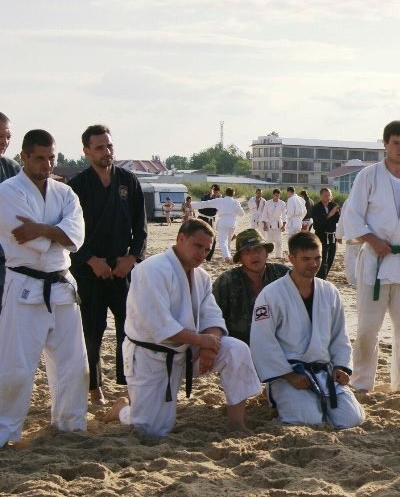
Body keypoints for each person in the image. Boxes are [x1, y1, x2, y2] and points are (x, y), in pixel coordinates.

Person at [101, 219, 261, 436]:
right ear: (181, 239)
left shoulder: (201, 277)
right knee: (151, 429)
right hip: (151, 356)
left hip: (188, 352)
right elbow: (159, 326)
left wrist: (209, 345)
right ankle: (122, 410)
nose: (202, 254)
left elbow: (211, 315)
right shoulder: (152, 270)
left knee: (236, 350)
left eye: (207, 249)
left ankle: (237, 424)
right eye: (198, 246)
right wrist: (201, 340)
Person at [0, 129, 88, 446]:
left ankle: (70, 424)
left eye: (51, 157)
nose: (47, 164)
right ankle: (6, 430)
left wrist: (44, 229)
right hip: (24, 284)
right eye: (39, 158)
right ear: (23, 156)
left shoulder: (65, 193)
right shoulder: (7, 192)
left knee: (74, 366)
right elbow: (27, 239)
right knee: (16, 368)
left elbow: (76, 237)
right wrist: (55, 232)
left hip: (62, 285)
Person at [342, 120, 400, 395]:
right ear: (385, 144)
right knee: (368, 328)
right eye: (396, 143)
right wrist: (372, 240)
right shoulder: (368, 176)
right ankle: (362, 381)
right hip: (375, 260)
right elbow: (353, 215)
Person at [249, 232, 366, 428]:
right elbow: (263, 341)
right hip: (288, 373)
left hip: (324, 371)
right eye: (306, 259)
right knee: (307, 420)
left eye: (317, 258)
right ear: (291, 258)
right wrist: (289, 376)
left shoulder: (329, 291)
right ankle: (272, 392)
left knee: (352, 419)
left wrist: (340, 367)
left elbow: (339, 335)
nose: (313, 264)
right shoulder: (271, 294)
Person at [67, 124, 147, 405]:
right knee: (92, 330)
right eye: (99, 147)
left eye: (109, 145)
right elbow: (69, 233)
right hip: (89, 270)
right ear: (87, 151)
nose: (106, 151)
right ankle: (94, 388)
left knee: (130, 328)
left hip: (122, 267)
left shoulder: (128, 181)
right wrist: (90, 260)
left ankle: (128, 383)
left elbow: (141, 227)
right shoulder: (76, 186)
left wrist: (132, 257)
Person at [212, 228, 290, 345]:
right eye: (247, 251)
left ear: (266, 252)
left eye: (258, 249)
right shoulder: (226, 282)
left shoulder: (282, 275)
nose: (254, 255)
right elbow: (212, 318)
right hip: (240, 347)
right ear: (240, 258)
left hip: (279, 344)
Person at [0, 112, 24, 315]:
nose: (5, 142)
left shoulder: (12, 168)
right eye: (0, 136)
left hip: (7, 257)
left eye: (8, 137)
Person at [191, 187, 245, 261]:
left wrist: (191, 205)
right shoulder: (236, 202)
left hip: (223, 221)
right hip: (233, 222)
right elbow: (242, 214)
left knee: (223, 241)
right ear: (233, 193)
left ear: (226, 193)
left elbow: (205, 204)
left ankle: (227, 257)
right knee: (228, 241)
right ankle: (228, 256)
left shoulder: (220, 200)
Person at [310, 187, 341, 279]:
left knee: (331, 258)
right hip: (321, 235)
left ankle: (324, 277)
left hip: (332, 235)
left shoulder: (333, 205)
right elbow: (320, 221)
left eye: (329, 195)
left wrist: (339, 213)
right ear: (321, 196)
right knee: (322, 258)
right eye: (326, 195)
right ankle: (320, 278)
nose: (328, 197)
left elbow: (336, 220)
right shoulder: (316, 207)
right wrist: (331, 214)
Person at [197, 184, 220, 261]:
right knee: (199, 236)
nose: (215, 193)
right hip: (202, 218)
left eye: (216, 191)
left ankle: (208, 257)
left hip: (211, 220)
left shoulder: (218, 199)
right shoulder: (205, 197)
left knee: (213, 238)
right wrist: (211, 195)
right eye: (214, 191)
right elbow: (202, 206)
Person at [261, 188, 287, 257]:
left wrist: (284, 225)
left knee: (278, 240)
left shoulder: (282, 203)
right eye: (276, 195)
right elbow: (264, 213)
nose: (277, 197)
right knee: (269, 240)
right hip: (269, 223)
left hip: (278, 223)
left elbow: (284, 214)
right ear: (273, 195)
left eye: (278, 195)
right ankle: (267, 255)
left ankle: (278, 255)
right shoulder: (268, 203)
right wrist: (264, 224)